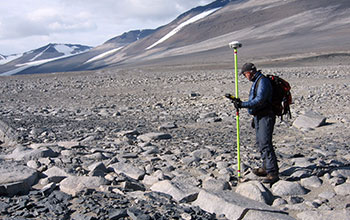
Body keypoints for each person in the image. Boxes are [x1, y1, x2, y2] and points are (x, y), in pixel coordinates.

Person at [231, 62, 279, 184]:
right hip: (259, 115)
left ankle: (272, 173)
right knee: (260, 142)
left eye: (245, 74)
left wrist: (242, 104)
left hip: (266, 115)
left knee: (265, 143)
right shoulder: (257, 81)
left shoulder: (263, 81)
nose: (245, 77)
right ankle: (265, 167)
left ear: (250, 72)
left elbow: (260, 100)